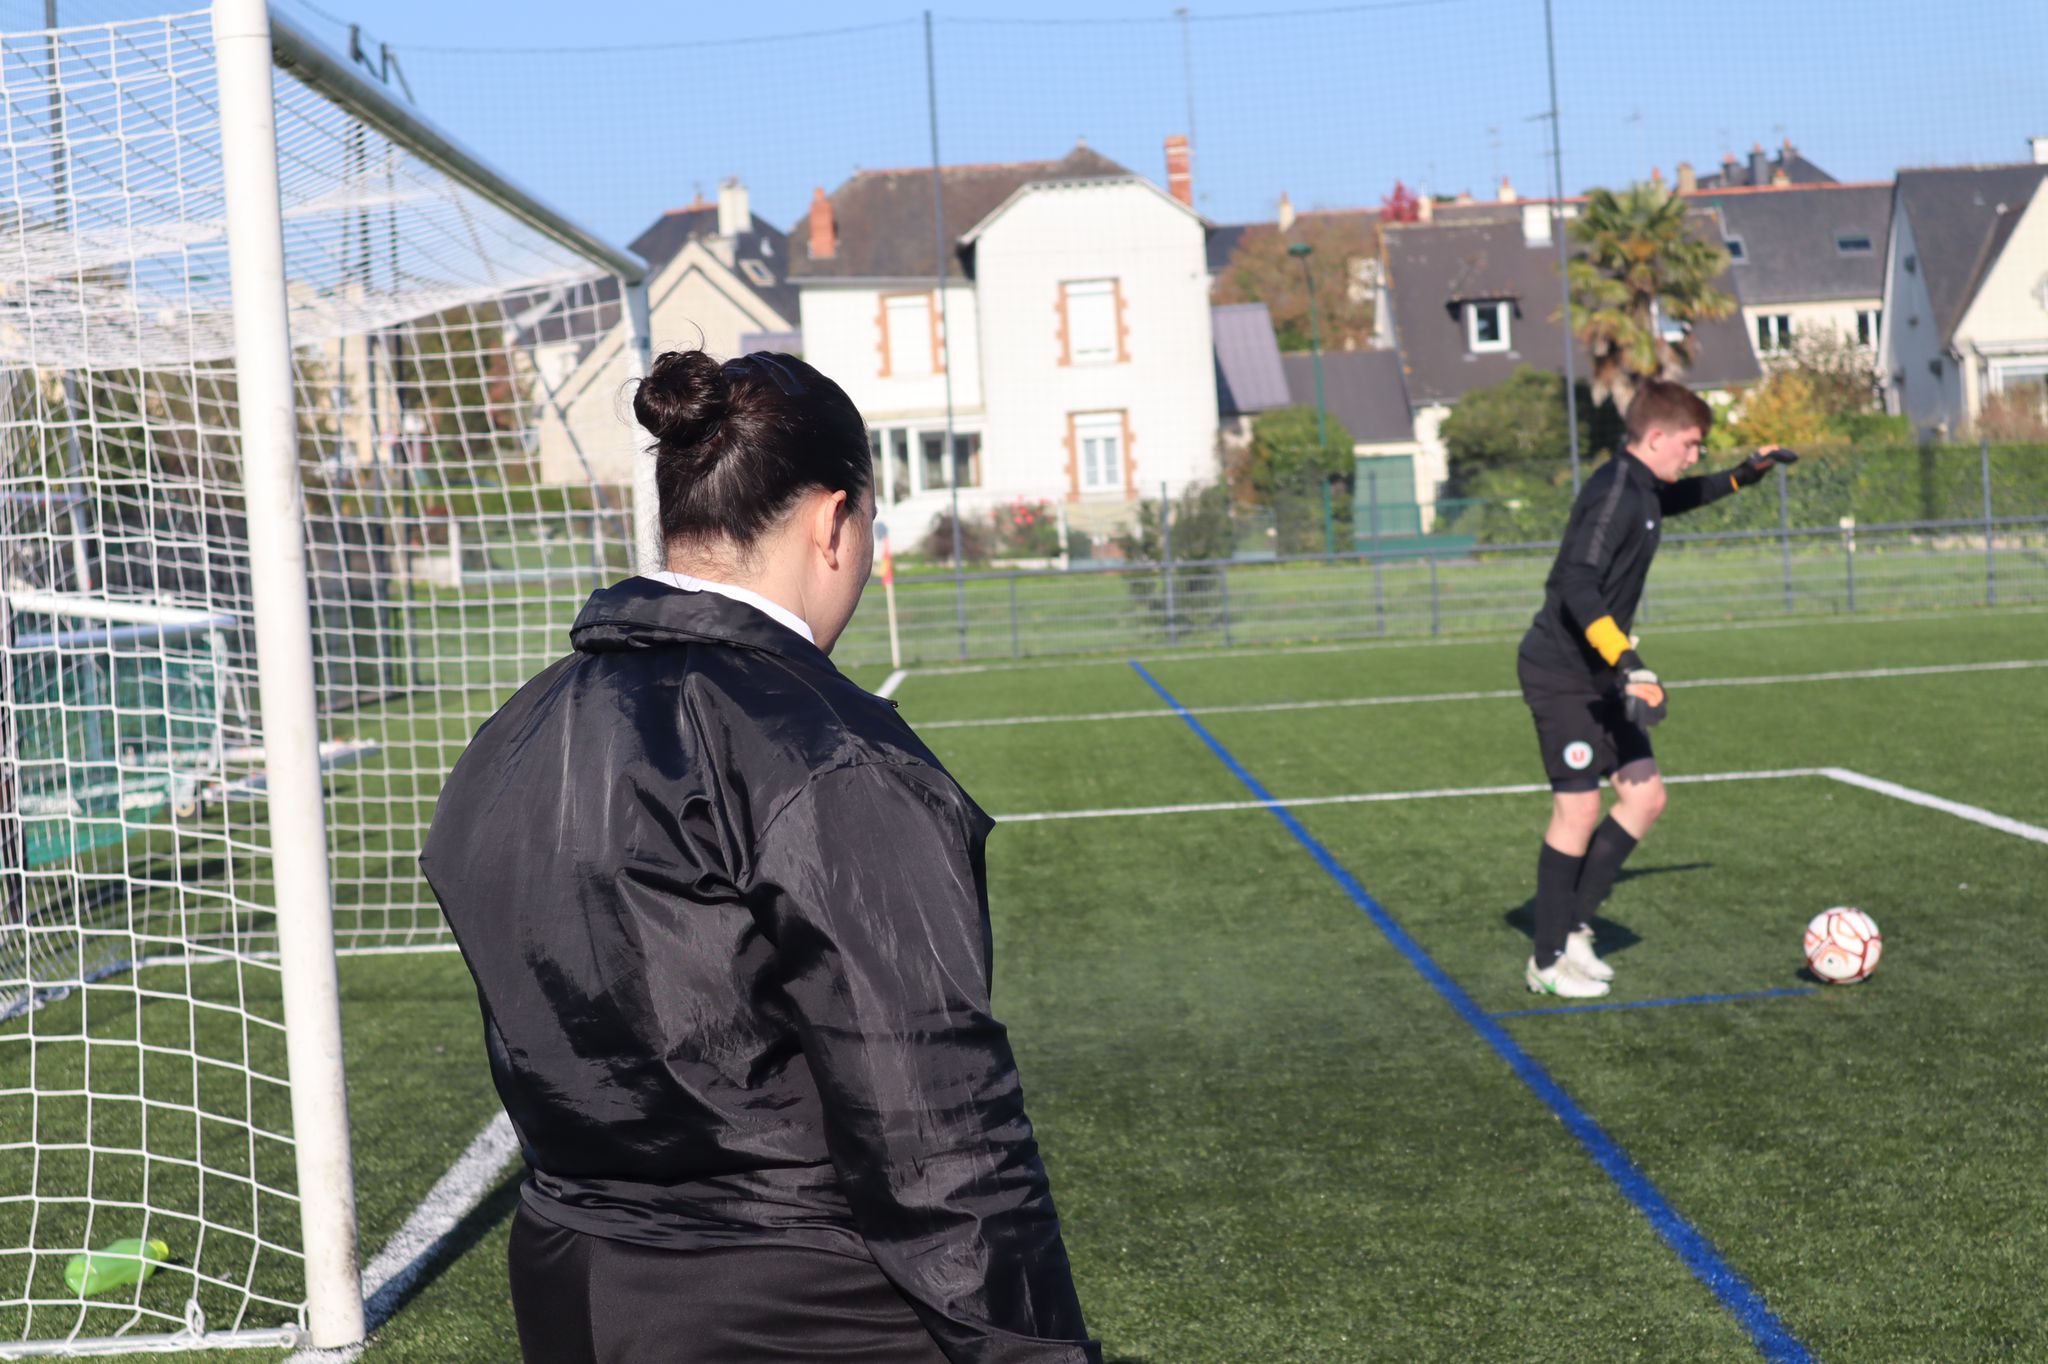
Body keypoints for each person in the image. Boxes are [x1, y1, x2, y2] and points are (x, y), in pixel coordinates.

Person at [421, 349, 1100, 1364]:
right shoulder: (830, 754)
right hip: (796, 1306)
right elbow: (933, 1117)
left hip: (568, 1278)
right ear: (833, 519)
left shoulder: (510, 734)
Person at [1516, 378, 1796, 997]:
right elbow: (1576, 586)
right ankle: (1546, 959)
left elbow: (1682, 495)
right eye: (1691, 444)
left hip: (1603, 671)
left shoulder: (1642, 484)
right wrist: (1630, 662)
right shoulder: (1615, 492)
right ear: (1658, 437)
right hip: (1564, 673)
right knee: (1579, 808)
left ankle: (1576, 928)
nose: (1694, 455)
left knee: (1644, 799)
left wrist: (1742, 476)